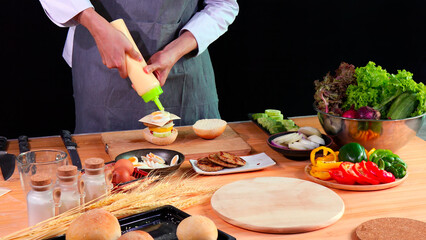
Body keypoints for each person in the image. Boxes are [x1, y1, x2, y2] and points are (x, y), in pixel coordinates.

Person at [39, 0, 239, 133]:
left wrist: (175, 51)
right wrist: (94, 23)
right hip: (101, 67)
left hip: (183, 66)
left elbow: (224, 4)